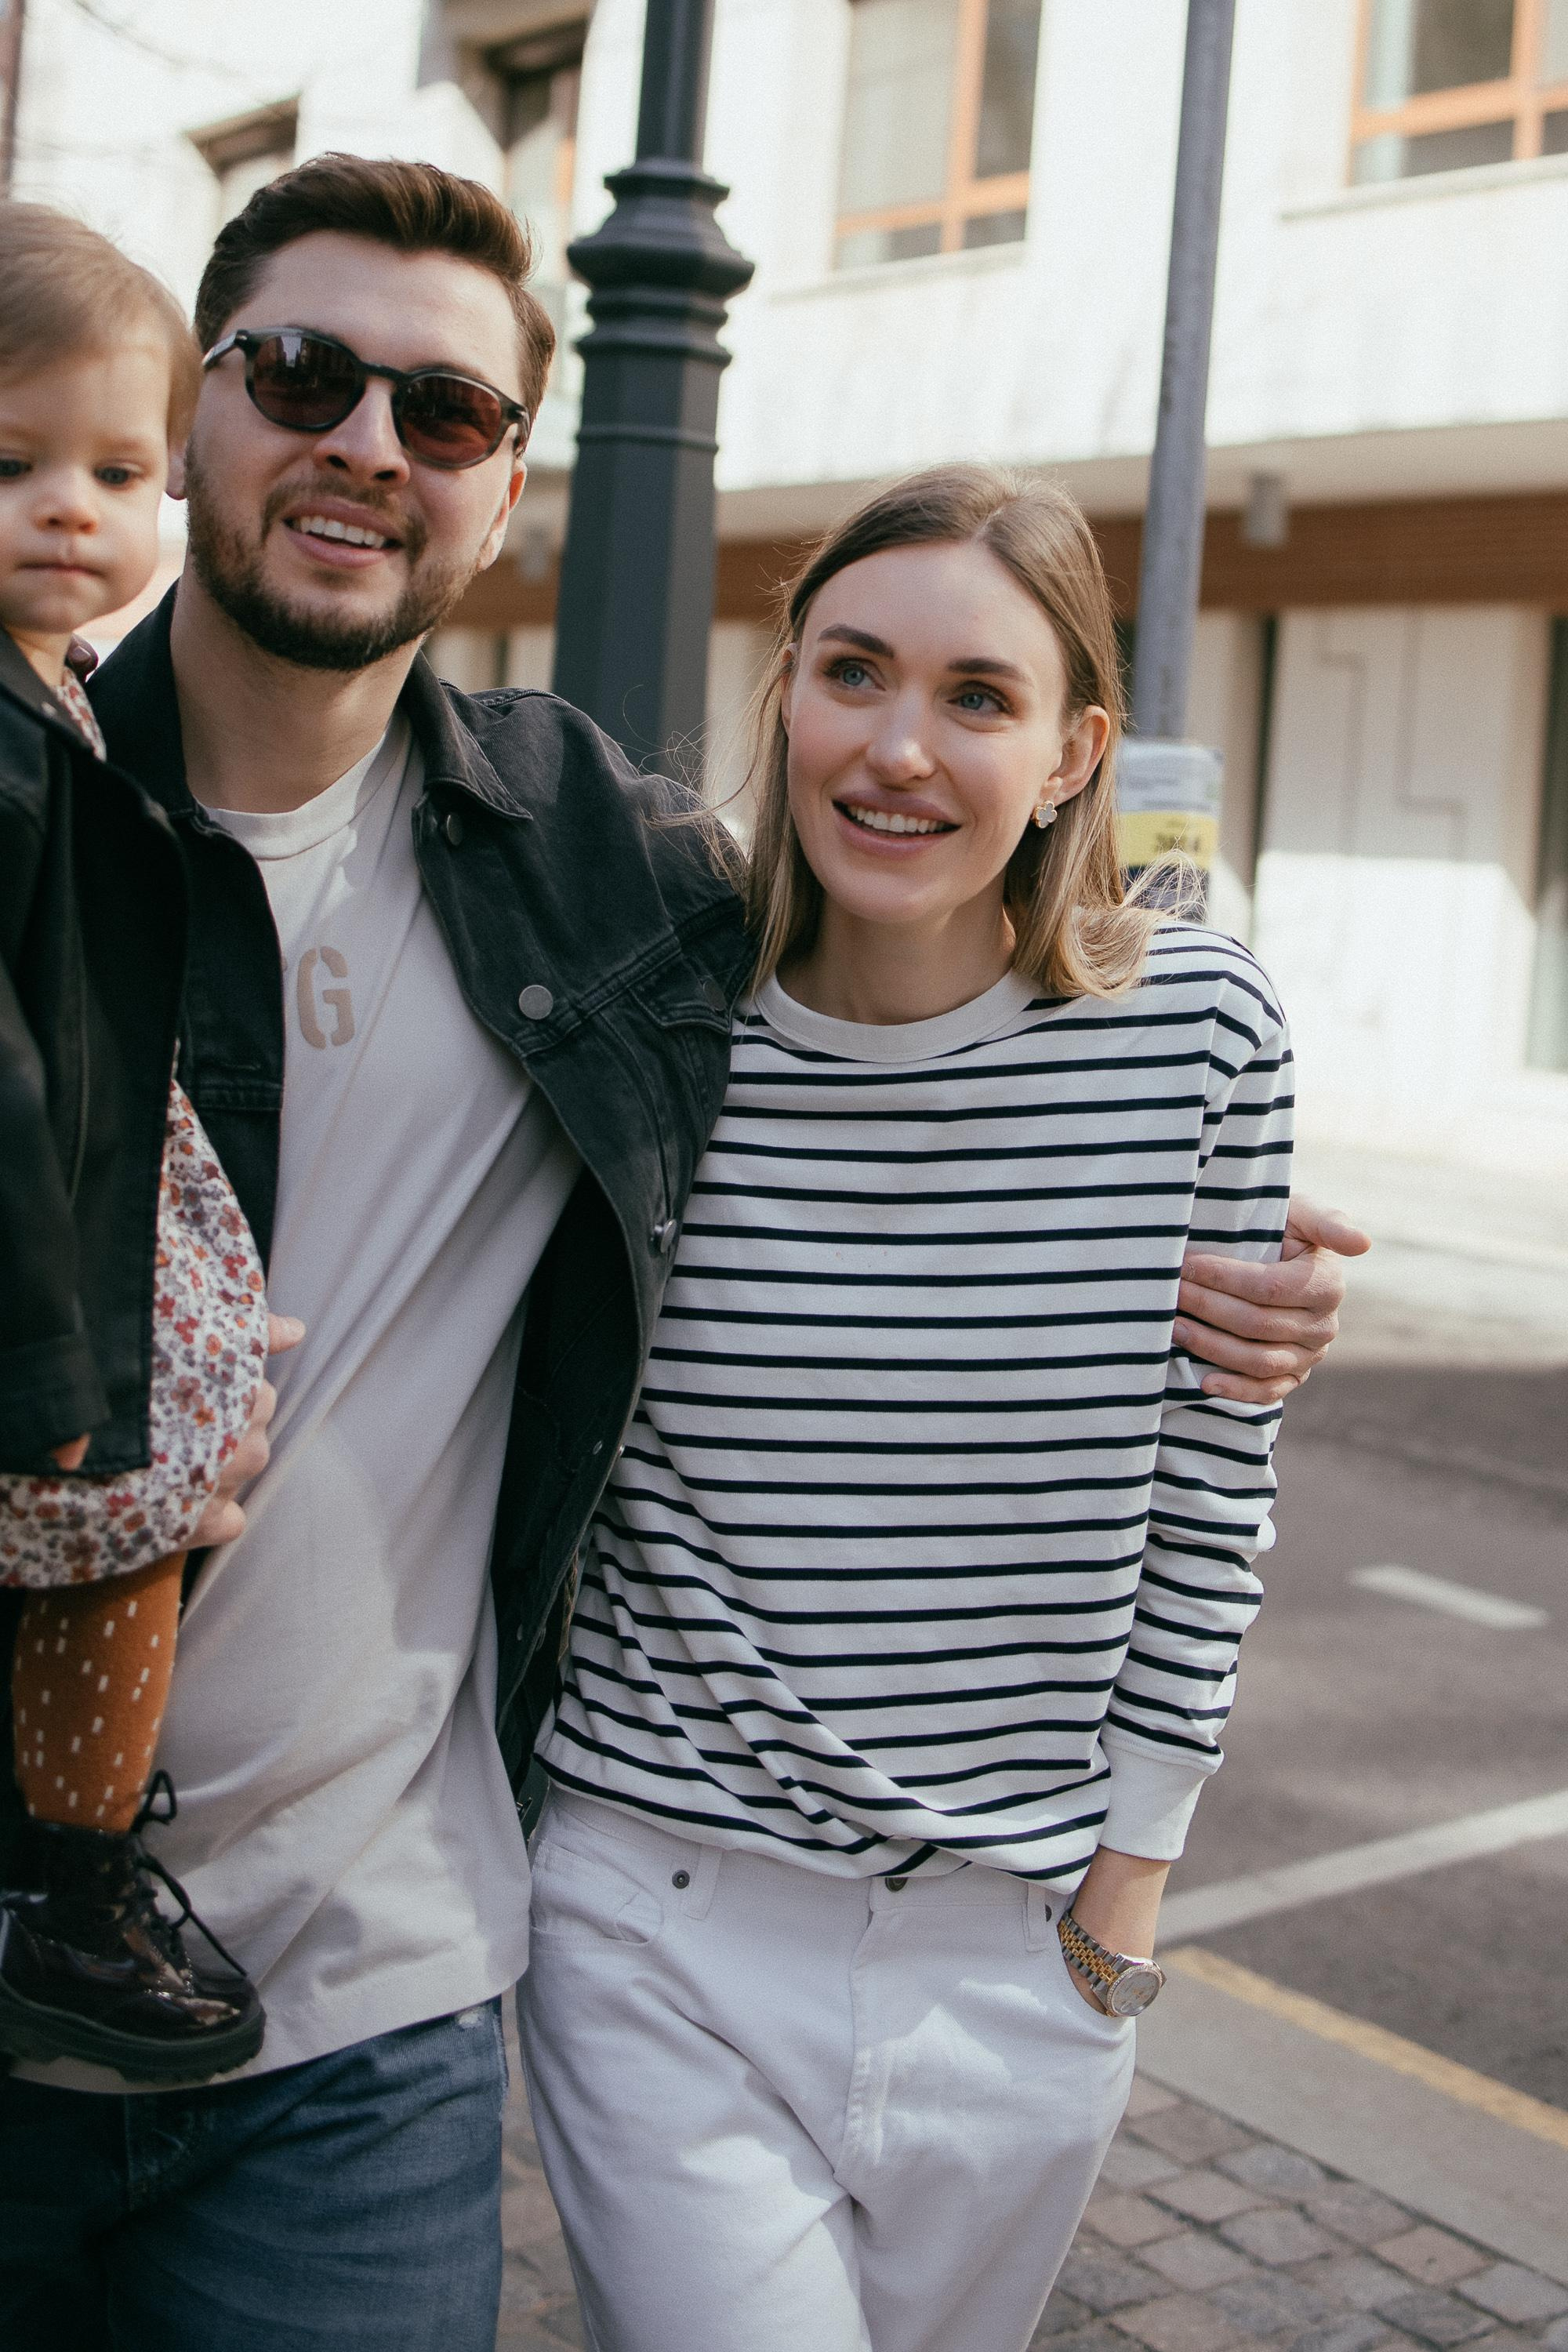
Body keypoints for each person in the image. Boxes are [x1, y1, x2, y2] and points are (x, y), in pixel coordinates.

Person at [0, 158, 1361, 2352]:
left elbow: (921, 976)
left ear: (509, 486)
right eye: (305, 376)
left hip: (366, 2016)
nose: (369, 443)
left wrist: (1225, 1267)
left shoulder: (600, 881)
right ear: (195, 406)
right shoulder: (21, 828)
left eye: (442, 411)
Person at [519, 466, 1301, 2352]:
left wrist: (1122, 1907)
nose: (896, 746)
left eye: (976, 696)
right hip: (657, 1921)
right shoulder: (648, 1032)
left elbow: (1212, 1496)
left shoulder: (1201, 1033)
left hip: (1020, 1962)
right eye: (852, 671)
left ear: (1068, 754)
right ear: (784, 690)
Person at [0, 205, 289, 2084]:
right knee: (121, 1529)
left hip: (87, 1233)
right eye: (10, 463)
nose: (69, 509)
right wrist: (49, 1356)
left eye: (116, 469)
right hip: (42, 1272)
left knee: (155, 1504)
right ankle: (72, 1894)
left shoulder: (53, 696)